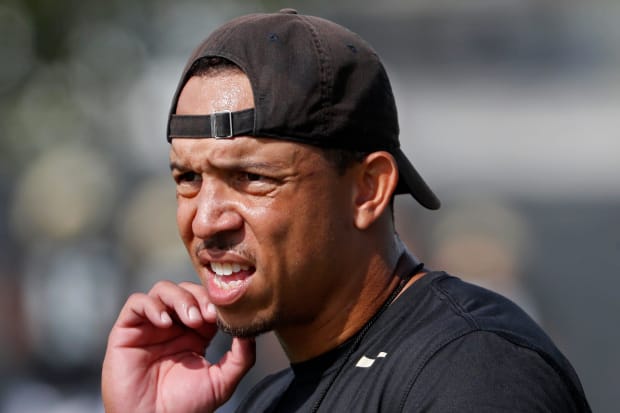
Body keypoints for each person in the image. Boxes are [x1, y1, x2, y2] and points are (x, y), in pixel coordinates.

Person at [101, 9, 591, 413]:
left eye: (252, 178)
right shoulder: (270, 401)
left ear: (368, 190)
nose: (206, 220)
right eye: (188, 179)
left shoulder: (474, 372)